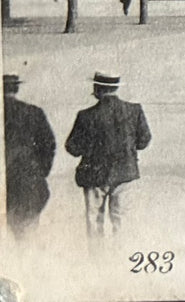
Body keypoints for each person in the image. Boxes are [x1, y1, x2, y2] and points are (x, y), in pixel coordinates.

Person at [64, 72, 151, 238]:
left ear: (97, 88)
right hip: (125, 172)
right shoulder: (134, 110)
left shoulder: (85, 115)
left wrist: (91, 148)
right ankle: (120, 260)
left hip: (94, 175)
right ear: (116, 88)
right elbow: (144, 141)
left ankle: (96, 261)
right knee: (121, 221)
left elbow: (72, 148)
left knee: (94, 220)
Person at [5, 73, 56, 238]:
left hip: (9, 179)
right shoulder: (34, 112)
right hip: (29, 180)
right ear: (17, 88)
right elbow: (49, 145)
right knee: (27, 233)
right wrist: (41, 172)